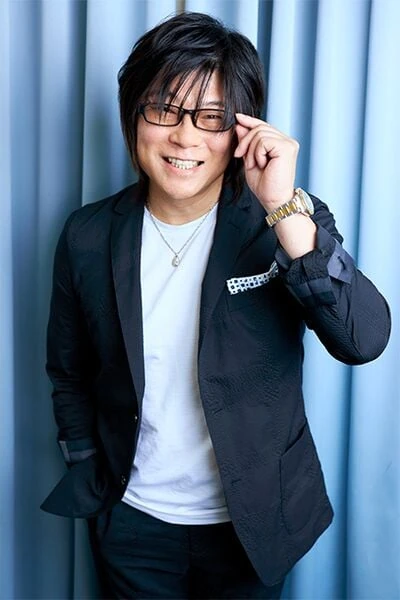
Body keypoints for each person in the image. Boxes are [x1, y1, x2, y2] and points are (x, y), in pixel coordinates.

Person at [41, 11, 391, 600]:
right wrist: (88, 468)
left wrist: (282, 208)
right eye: (165, 109)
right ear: (133, 115)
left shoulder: (285, 221)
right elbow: (68, 370)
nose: (185, 137)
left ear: (242, 132)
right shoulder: (88, 234)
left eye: (212, 117)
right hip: (132, 523)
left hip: (254, 526)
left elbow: (364, 339)